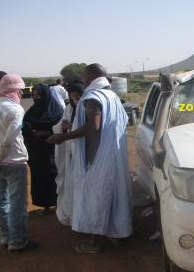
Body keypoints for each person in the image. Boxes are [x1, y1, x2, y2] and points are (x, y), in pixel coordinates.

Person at [48, 63, 132, 253]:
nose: (84, 80)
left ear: (90, 77)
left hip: (95, 158)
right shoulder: (112, 96)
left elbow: (93, 126)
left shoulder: (92, 97)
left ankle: (93, 243)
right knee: (112, 193)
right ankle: (116, 232)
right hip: (113, 155)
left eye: (85, 76)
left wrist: (64, 137)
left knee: (96, 196)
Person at [0, 74, 38, 252]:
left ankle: (5, 237)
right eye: (19, 90)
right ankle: (18, 242)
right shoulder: (16, 110)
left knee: (1, 201)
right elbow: (10, 139)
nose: (20, 93)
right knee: (17, 203)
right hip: (14, 162)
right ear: (15, 91)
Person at [22, 84, 63, 215]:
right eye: (34, 96)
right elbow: (26, 127)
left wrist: (46, 132)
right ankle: (45, 204)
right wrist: (33, 133)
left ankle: (59, 203)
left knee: (54, 174)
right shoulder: (32, 111)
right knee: (39, 176)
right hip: (36, 150)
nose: (37, 98)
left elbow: (62, 128)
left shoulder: (57, 111)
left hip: (53, 149)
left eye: (39, 95)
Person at [52, 82, 83, 225]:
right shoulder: (69, 108)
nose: (75, 98)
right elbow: (60, 125)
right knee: (71, 181)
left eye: (78, 95)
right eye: (72, 95)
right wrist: (63, 126)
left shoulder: (86, 108)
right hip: (70, 153)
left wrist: (73, 127)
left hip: (82, 152)